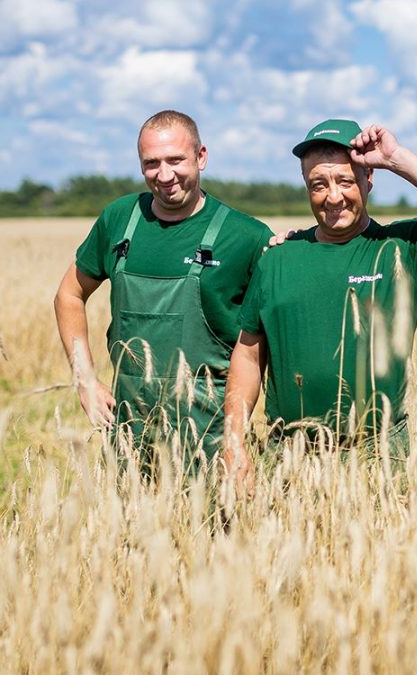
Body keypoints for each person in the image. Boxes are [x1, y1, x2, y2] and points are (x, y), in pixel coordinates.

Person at [222, 119, 417, 486]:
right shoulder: (278, 258)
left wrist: (397, 158)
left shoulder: (399, 249)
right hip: (288, 458)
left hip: (377, 457)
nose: (333, 197)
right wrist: (234, 441)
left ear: (369, 179)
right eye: (318, 184)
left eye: (346, 181)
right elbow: (248, 355)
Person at [54, 110, 273, 474]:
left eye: (176, 160)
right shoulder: (120, 219)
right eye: (151, 163)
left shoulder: (247, 236)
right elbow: (69, 295)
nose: (165, 175)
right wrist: (85, 381)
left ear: (201, 156)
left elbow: (267, 337)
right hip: (130, 432)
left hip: (209, 434)